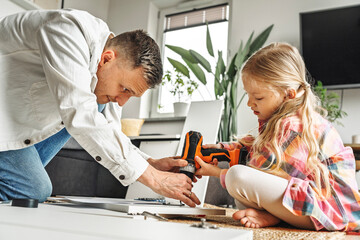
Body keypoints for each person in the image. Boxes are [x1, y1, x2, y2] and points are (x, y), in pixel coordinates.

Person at [0, 9, 200, 207]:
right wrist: (154, 179)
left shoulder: (103, 72)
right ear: (106, 58)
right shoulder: (67, 31)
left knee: (97, 104)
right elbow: (81, 116)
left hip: (13, 122)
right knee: (33, 190)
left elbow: (109, 130)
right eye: (125, 89)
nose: (121, 102)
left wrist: (151, 164)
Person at [195, 42, 360, 231]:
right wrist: (227, 150)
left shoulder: (294, 125)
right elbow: (259, 151)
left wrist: (216, 173)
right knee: (241, 197)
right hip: (306, 205)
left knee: (236, 177)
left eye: (258, 98)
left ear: (288, 94)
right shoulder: (280, 119)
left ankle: (274, 217)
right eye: (248, 95)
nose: (250, 103)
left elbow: (261, 170)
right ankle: (274, 217)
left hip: (329, 211)